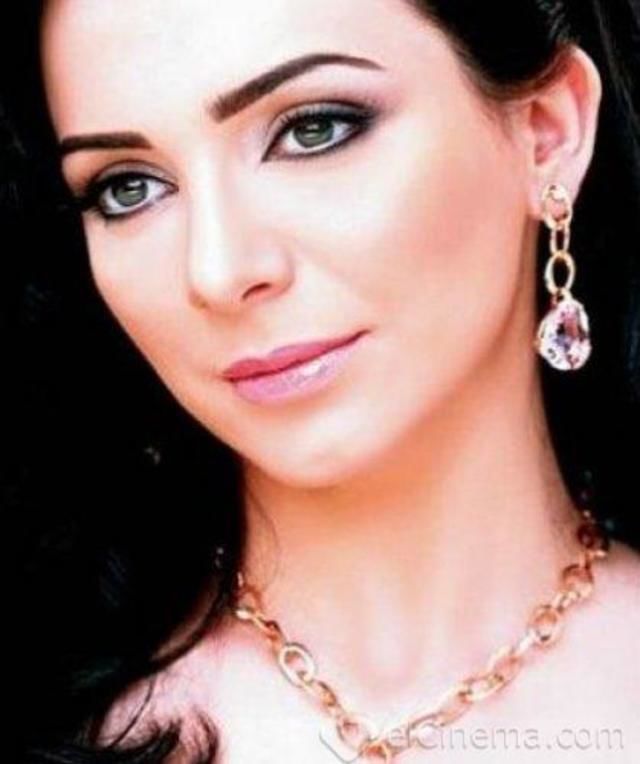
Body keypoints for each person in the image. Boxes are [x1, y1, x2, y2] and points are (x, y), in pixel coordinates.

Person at [2, 0, 639, 762]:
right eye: (128, 187)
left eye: (313, 130)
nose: (218, 271)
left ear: (546, 132)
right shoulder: (49, 706)